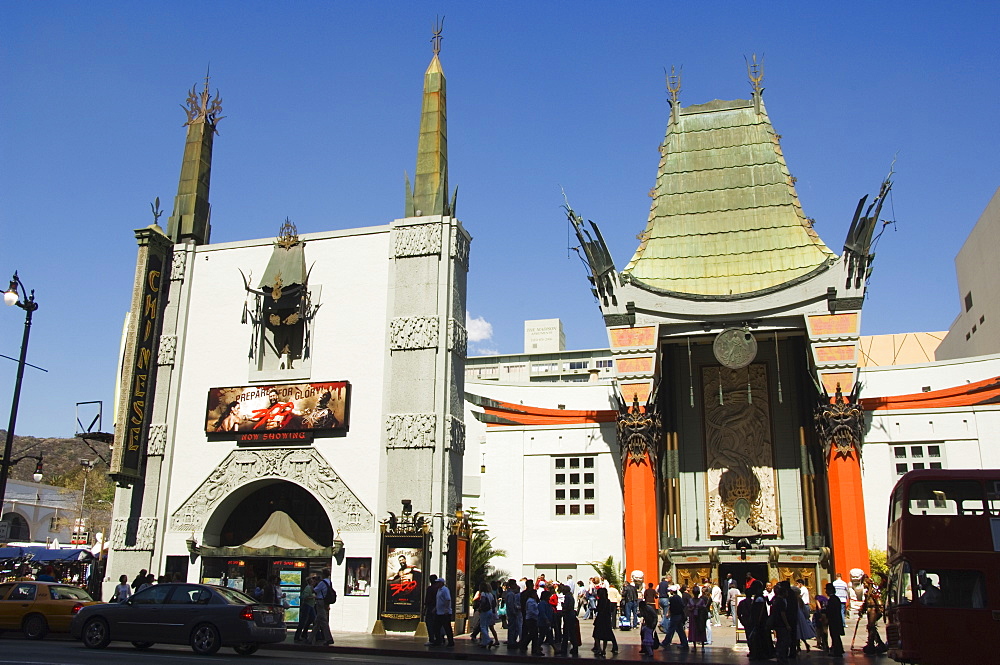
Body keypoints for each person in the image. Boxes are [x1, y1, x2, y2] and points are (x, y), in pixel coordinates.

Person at [862, 572, 887, 654]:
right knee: (871, 627)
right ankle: (876, 643)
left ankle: (872, 644)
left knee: (871, 627)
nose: (864, 585)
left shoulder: (873, 591)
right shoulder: (867, 593)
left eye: (864, 583)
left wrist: (880, 610)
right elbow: (866, 602)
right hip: (870, 610)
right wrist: (862, 609)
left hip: (874, 610)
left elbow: (878, 602)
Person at [591, 586, 618, 657]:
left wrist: (595, 609)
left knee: (596, 635)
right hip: (606, 619)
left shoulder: (600, 601)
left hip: (600, 619)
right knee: (605, 636)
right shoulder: (608, 601)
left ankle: (599, 648)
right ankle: (603, 650)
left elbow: (599, 609)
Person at [312, 568, 335, 646]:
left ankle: (329, 638)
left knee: (323, 621)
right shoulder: (329, 582)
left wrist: (313, 585)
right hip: (325, 601)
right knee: (318, 621)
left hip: (320, 601)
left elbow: (315, 590)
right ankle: (310, 638)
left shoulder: (322, 582)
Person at [431, 577, 455, 647]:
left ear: (441, 583)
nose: (436, 584)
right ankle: (438, 640)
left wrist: (446, 609)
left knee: (447, 627)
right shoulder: (439, 590)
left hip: (444, 613)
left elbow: (448, 599)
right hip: (439, 612)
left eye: (438, 582)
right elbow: (439, 601)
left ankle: (451, 642)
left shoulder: (445, 590)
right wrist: (435, 608)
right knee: (436, 627)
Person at [557, 583, 581, 656]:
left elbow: (567, 606)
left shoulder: (567, 597)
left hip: (568, 616)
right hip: (571, 616)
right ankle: (573, 647)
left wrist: (563, 605)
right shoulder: (570, 596)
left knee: (567, 632)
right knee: (571, 632)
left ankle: (564, 648)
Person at [295, 575, 317, 642]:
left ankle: (304, 633)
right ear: (310, 581)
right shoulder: (308, 588)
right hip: (307, 605)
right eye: (313, 581)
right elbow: (305, 597)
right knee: (303, 621)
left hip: (311, 605)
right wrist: (312, 597)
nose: (314, 582)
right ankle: (298, 636)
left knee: (312, 619)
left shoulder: (312, 588)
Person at [686, 585, 709, 650]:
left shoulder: (692, 600)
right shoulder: (700, 601)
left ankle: (695, 645)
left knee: (694, 630)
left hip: (696, 617)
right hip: (698, 618)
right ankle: (701, 646)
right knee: (699, 630)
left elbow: (688, 608)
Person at [825, 582, 845, 657]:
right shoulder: (835, 599)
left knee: (835, 636)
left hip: (834, 621)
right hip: (836, 620)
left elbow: (831, 611)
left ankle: (837, 651)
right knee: (836, 636)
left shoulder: (833, 599)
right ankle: (838, 649)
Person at [478, 582, 498, 648]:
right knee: (486, 626)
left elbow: (483, 601)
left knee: (482, 626)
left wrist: (480, 607)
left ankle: (488, 640)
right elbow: (493, 603)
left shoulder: (483, 594)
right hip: (490, 611)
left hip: (484, 611)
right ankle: (484, 642)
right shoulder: (490, 594)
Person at [504, 579, 522, 648]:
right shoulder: (511, 594)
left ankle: (512, 641)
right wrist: (514, 612)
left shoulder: (510, 593)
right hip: (512, 614)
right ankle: (511, 642)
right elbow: (510, 604)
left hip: (511, 613)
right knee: (512, 628)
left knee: (513, 628)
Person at [423, 574, 440, 645]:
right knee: (438, 624)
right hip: (439, 608)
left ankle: (432, 639)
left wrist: (425, 609)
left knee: (430, 624)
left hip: (431, 608)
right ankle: (439, 638)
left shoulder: (430, 588)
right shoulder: (439, 588)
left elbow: (428, 600)